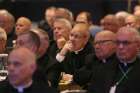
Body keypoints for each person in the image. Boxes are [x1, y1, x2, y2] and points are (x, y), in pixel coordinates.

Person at [87, 27, 140, 93]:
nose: (120, 47)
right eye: (118, 43)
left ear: (138, 46)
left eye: (126, 43)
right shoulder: (102, 69)